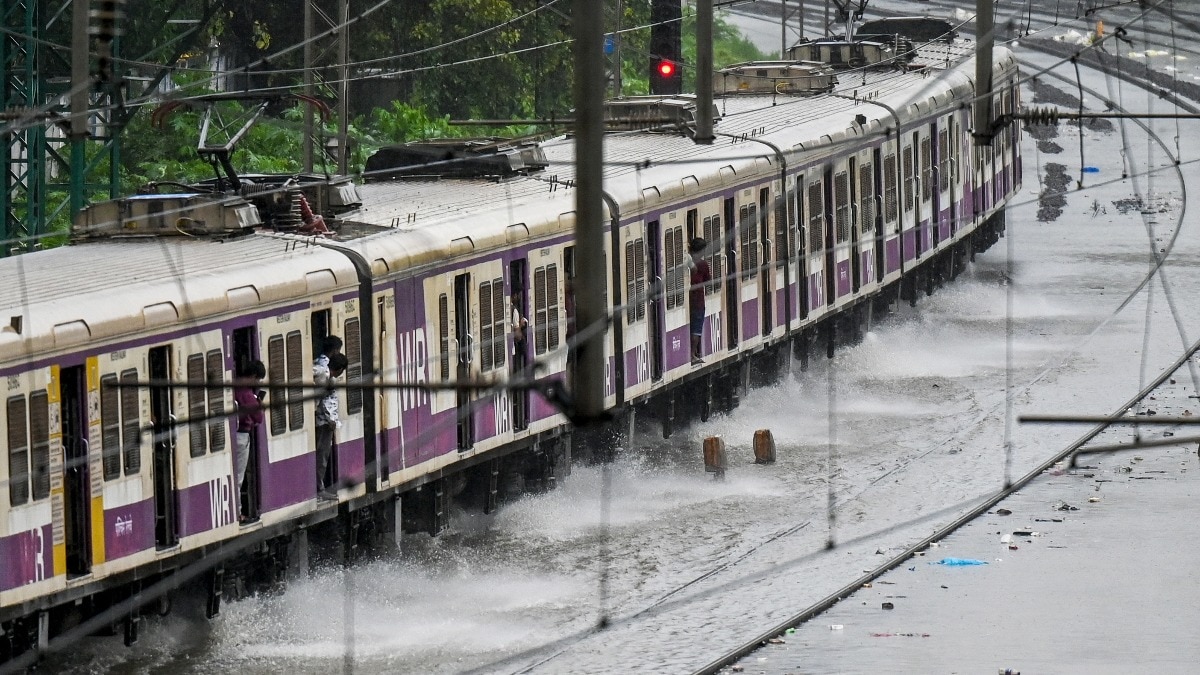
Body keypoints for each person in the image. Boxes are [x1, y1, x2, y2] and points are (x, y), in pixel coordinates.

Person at [233, 360, 266, 522]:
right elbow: (257, 417)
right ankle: (237, 513)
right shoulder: (246, 393)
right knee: (238, 477)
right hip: (241, 436)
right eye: (258, 379)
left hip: (232, 436)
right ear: (253, 376)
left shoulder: (233, 385)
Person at [315, 352, 348, 499]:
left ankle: (319, 487)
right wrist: (332, 421)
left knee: (321, 455)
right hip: (323, 423)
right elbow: (326, 402)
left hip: (318, 420)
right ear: (340, 369)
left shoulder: (320, 369)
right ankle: (319, 488)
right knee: (322, 455)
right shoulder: (326, 378)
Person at [688, 237, 712, 365]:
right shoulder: (702, 264)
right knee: (696, 329)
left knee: (690, 326)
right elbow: (708, 280)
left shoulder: (686, 260)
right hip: (698, 300)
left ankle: (691, 354)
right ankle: (692, 355)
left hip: (688, 300)